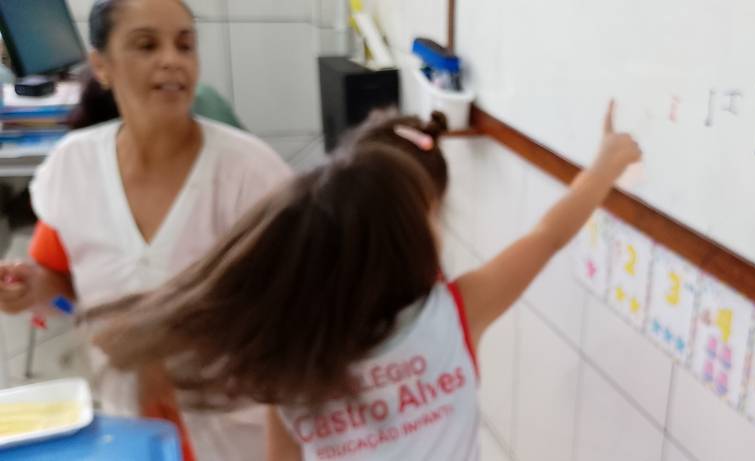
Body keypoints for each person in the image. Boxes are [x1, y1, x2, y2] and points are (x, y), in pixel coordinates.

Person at [87, 102, 642, 460]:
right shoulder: (456, 312)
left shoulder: (293, 353)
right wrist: (606, 166)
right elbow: (549, 235)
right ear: (414, 235)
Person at [0, 0, 292, 459]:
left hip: (242, 432)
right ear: (102, 66)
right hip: (134, 431)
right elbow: (61, 284)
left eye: (185, 45)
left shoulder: (251, 175)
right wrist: (31, 287)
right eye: (146, 45)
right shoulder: (74, 167)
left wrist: (165, 344)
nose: (172, 60)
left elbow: (297, 309)